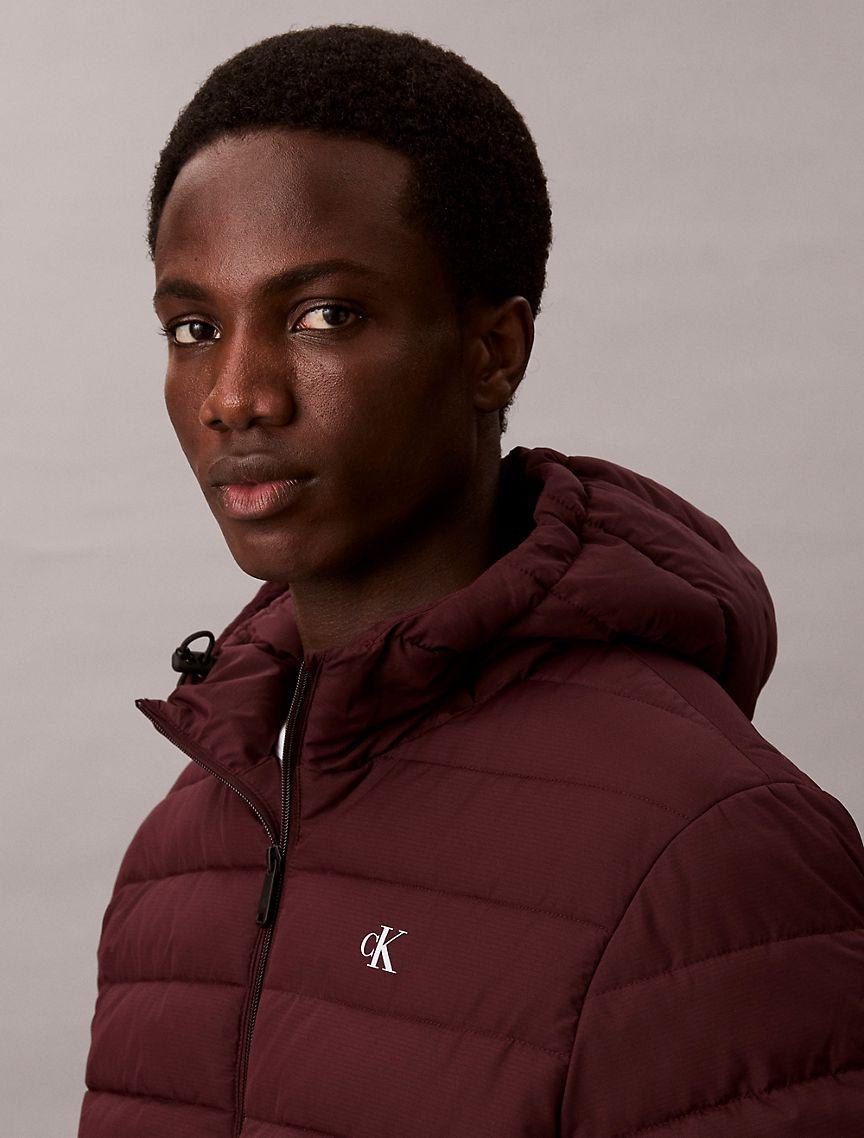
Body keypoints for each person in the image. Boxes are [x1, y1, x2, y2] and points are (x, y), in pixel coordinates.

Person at [78, 23, 864, 1138]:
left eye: (324, 316)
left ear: (493, 350)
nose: (236, 396)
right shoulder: (183, 851)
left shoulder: (710, 851)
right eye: (194, 327)